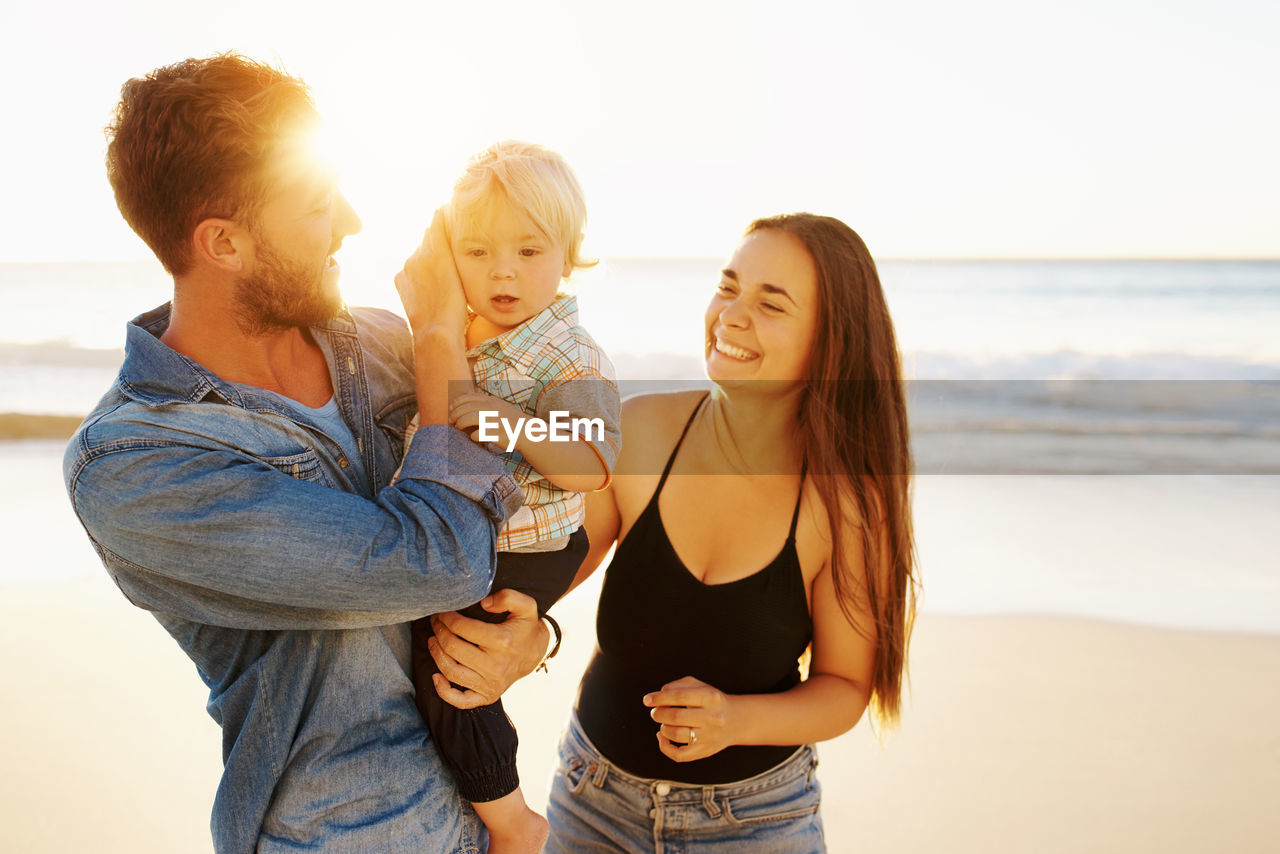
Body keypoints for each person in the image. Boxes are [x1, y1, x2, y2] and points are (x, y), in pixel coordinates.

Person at [62, 53, 552, 854]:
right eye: (320, 205)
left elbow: (558, 485)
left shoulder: (384, 346)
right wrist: (439, 345)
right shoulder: (134, 465)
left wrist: (535, 629)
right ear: (224, 242)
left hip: (484, 817)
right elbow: (435, 561)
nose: (354, 221)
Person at [544, 213, 919, 852]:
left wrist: (733, 719)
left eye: (771, 303)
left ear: (832, 341)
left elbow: (847, 689)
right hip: (590, 801)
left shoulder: (846, 506)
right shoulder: (641, 431)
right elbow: (542, 575)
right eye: (728, 287)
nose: (732, 315)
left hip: (756, 822)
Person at [401, 141, 620, 853]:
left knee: (452, 677)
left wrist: (513, 424)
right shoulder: (467, 335)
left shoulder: (569, 354)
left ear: (569, 253)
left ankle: (513, 822)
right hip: (494, 535)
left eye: (529, 251)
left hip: (533, 545)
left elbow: (591, 464)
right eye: (477, 250)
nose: (502, 270)